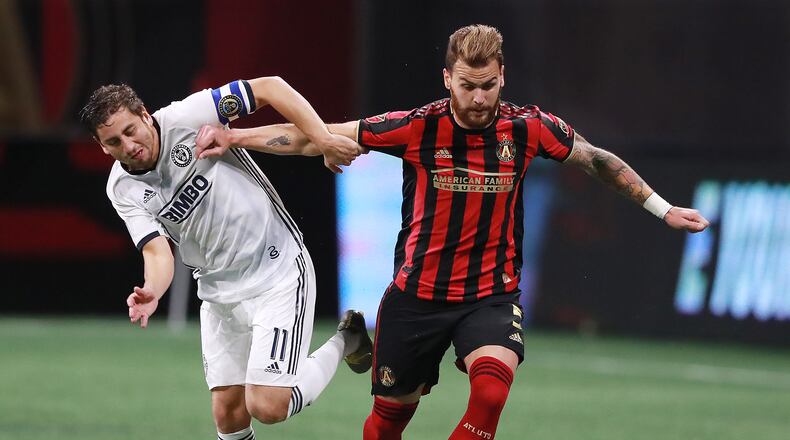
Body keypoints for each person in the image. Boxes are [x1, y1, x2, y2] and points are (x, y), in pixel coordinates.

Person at [194, 24, 710, 439]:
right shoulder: (418, 127)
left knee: (490, 394)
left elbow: (596, 160)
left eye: (488, 85)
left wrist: (662, 208)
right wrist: (236, 137)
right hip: (416, 298)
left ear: (503, 76)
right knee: (387, 424)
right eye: (468, 85)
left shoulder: (528, 128)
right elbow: (318, 137)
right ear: (447, 79)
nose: (479, 98)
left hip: (490, 296)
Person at [79, 76, 373, 440]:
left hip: (276, 272)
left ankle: (348, 340)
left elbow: (271, 87)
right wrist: (153, 289)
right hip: (219, 293)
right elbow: (156, 250)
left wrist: (323, 139)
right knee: (229, 416)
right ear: (102, 147)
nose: (128, 145)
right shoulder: (122, 188)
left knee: (267, 405)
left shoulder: (188, 116)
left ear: (143, 114)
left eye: (130, 131)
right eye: (113, 142)